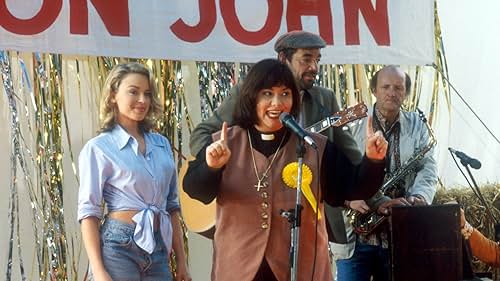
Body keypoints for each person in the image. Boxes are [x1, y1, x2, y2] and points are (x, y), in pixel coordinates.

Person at [183, 58, 388, 281]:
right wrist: (212, 168)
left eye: (285, 94)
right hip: (238, 269)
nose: (277, 103)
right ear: (252, 97)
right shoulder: (225, 142)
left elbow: (354, 187)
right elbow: (195, 191)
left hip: (301, 268)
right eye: (267, 94)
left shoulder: (314, 147)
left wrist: (373, 160)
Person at [188, 30, 363, 244]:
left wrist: (376, 193)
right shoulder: (249, 92)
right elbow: (201, 135)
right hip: (253, 220)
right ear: (283, 58)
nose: (314, 68)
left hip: (307, 220)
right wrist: (218, 167)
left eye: (317, 60)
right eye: (306, 59)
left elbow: (351, 155)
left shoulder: (325, 99)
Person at [77, 62, 191, 281]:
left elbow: (172, 207)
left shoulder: (162, 144)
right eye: (133, 92)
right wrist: (99, 271)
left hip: (158, 248)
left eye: (147, 94)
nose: (142, 100)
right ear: (113, 95)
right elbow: (89, 212)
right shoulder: (99, 147)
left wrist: (182, 263)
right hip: (118, 246)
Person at [330, 65, 439, 281]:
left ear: (406, 92)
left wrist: (419, 197)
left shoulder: (417, 125)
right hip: (357, 236)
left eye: (398, 88)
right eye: (386, 87)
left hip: (400, 234)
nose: (392, 92)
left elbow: (428, 167)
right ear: (374, 90)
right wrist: (349, 197)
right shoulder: (352, 122)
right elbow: (335, 168)